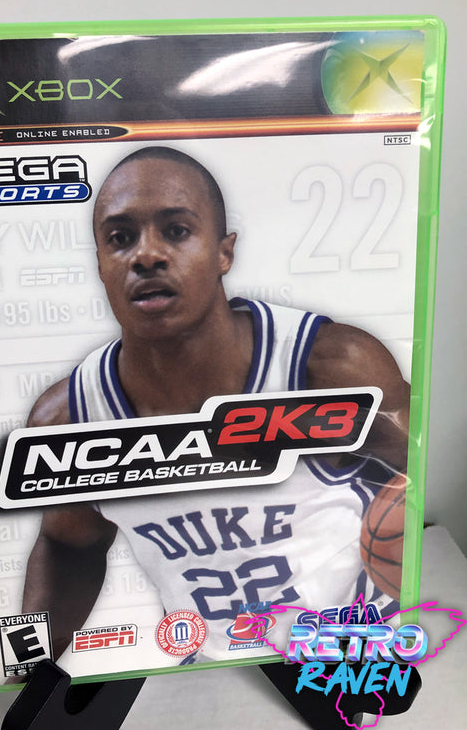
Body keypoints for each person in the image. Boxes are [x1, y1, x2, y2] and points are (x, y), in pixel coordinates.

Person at [21, 146, 409, 663]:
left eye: (177, 231)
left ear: (224, 253)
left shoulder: (335, 367)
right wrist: (24, 667)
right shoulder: (70, 419)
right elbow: (70, 546)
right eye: (120, 238)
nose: (146, 255)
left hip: (355, 656)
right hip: (208, 666)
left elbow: (419, 474)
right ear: (99, 263)